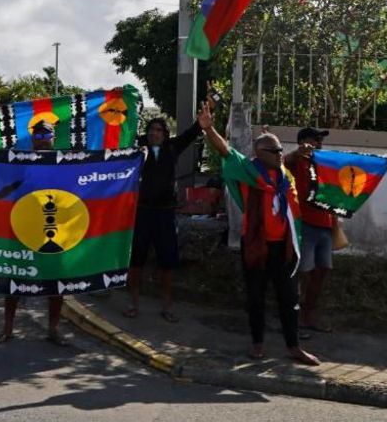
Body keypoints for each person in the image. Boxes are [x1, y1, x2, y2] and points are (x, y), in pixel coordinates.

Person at [202, 107, 320, 365]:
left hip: (284, 248)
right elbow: (226, 152)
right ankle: (257, 343)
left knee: (289, 299)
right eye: (274, 151)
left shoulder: (283, 176)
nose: (279, 155)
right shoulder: (249, 172)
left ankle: (294, 346)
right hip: (257, 245)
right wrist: (209, 129)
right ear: (258, 154)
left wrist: (294, 151)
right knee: (255, 297)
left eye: (280, 150)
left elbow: (288, 160)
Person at [123, 97, 213, 323]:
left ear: (164, 134)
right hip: (141, 213)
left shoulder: (172, 148)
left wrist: (204, 117)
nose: (155, 133)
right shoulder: (136, 148)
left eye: (159, 131)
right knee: (136, 261)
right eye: (152, 130)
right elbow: (117, 135)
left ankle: (167, 306)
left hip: (165, 214)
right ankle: (133, 303)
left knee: (168, 263)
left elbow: (191, 133)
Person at [0, 120, 67, 346]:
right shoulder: (20, 162)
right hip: (22, 230)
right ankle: (8, 328)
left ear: (53, 139)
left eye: (46, 135)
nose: (42, 139)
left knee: (56, 281)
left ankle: (53, 329)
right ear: (33, 139)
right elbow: (5, 184)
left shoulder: (65, 163)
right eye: (38, 135)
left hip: (54, 232)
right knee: (15, 278)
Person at [284, 126, 338, 335]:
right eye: (314, 140)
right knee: (302, 274)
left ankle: (308, 316)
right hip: (304, 225)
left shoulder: (323, 163)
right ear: (302, 143)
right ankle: (293, 319)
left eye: (319, 140)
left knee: (321, 271)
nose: (318, 143)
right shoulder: (297, 161)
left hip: (324, 225)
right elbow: (281, 164)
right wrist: (298, 153)